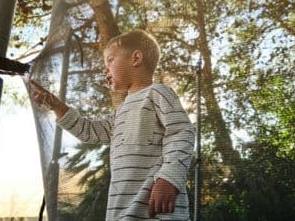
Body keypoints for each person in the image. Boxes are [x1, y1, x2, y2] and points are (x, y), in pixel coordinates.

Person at [30, 29, 195, 220]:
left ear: (136, 59)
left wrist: (169, 177)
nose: (105, 69)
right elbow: (89, 131)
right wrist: (57, 106)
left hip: (156, 211)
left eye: (110, 60)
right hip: (121, 212)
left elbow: (182, 132)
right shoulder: (120, 112)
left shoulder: (157, 93)